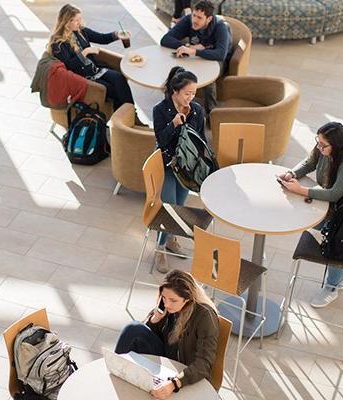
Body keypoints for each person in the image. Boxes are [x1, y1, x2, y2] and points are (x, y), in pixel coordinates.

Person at [278, 121, 343, 308]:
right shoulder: (324, 149)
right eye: (317, 142)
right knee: (306, 219)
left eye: (323, 145)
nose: (319, 147)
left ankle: (332, 286)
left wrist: (301, 190)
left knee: (335, 239)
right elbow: (309, 162)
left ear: (337, 144)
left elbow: (336, 193)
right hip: (332, 206)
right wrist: (291, 173)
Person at [115, 270, 219, 399]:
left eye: (173, 300)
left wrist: (173, 383)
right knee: (133, 328)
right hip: (165, 356)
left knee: (134, 331)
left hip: (184, 369)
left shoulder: (204, 316)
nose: (167, 304)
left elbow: (204, 364)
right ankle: (116, 369)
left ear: (188, 298)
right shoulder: (166, 306)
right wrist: (155, 319)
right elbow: (147, 334)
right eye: (164, 298)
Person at [151, 66, 205, 273]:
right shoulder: (160, 109)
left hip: (186, 167)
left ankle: (171, 239)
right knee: (169, 207)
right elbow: (161, 140)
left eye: (194, 93)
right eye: (187, 93)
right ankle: (160, 248)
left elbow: (200, 140)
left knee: (180, 207)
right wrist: (173, 124)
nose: (190, 98)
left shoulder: (197, 110)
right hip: (166, 164)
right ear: (175, 91)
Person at [48, 4, 136, 111]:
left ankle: (130, 115)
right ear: (67, 22)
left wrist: (118, 34)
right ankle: (124, 117)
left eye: (80, 19)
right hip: (82, 78)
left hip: (95, 69)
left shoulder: (81, 31)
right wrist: (86, 52)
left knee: (119, 78)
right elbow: (68, 66)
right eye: (76, 20)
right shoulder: (58, 44)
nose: (79, 22)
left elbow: (102, 38)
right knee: (115, 90)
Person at [159, 0, 231, 121]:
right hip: (196, 54)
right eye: (194, 15)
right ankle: (171, 108)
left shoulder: (221, 26)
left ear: (208, 19)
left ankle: (211, 114)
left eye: (199, 17)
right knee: (175, 72)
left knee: (209, 78)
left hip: (217, 59)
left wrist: (195, 51)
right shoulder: (189, 20)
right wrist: (188, 47)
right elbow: (165, 39)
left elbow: (220, 54)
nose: (194, 20)